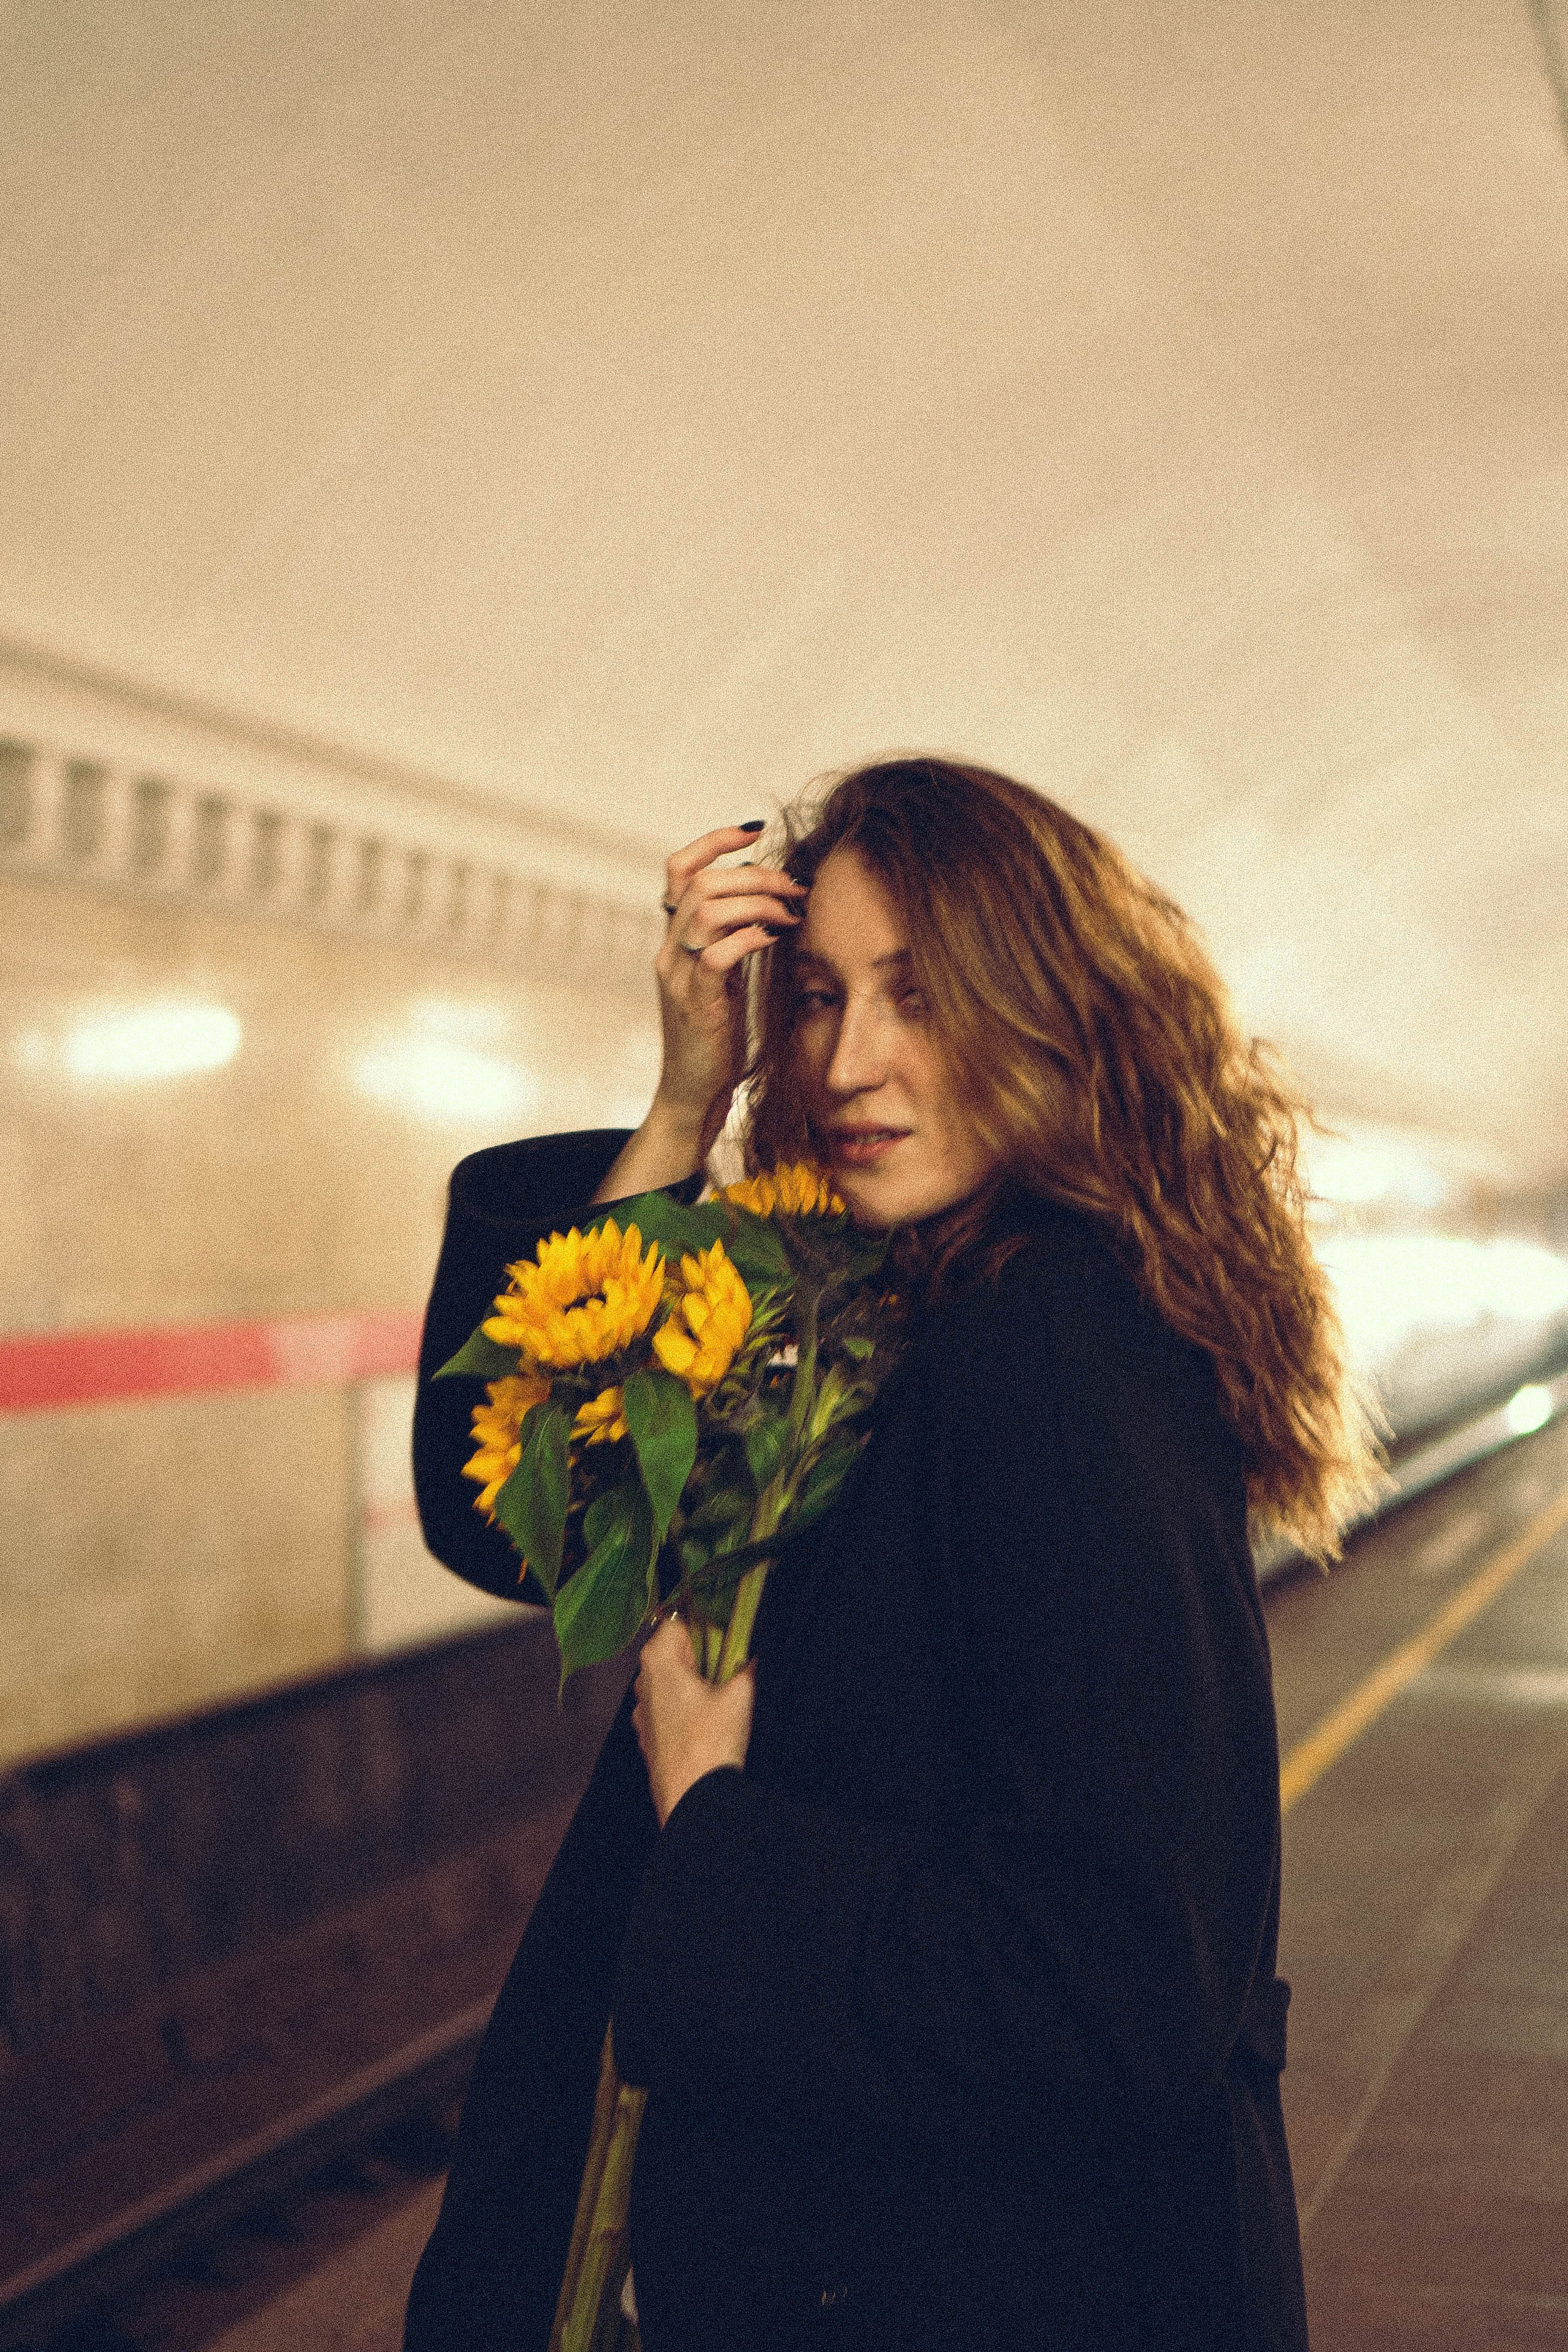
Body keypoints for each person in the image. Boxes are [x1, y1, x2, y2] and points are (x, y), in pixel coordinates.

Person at [404, 757, 1378, 2351]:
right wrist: (681, 1104)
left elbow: (1119, 1977)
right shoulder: (879, 1299)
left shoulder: (1053, 1355)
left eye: (919, 997)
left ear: (1052, 1012)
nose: (853, 1058)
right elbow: (538, 1511)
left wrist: (712, 1819)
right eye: (822, 998)